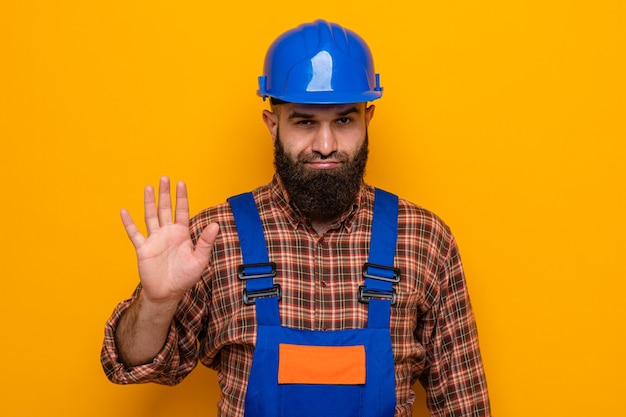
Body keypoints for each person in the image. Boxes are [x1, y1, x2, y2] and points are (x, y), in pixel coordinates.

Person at [101, 19, 491, 417]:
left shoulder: (424, 239)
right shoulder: (213, 238)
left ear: (367, 120)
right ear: (273, 125)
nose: (325, 146)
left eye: (344, 120)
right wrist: (156, 302)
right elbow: (130, 365)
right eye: (305, 122)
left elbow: (465, 405)